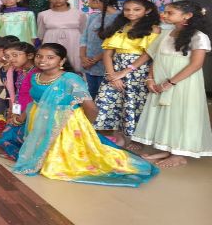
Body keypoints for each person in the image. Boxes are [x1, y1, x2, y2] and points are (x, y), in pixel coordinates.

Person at [12, 43, 157, 187]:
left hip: (65, 123)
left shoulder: (70, 79)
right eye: (39, 56)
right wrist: (22, 117)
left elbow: (91, 108)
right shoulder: (35, 77)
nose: (42, 60)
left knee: (63, 161)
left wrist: (85, 127)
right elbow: (34, 102)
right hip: (39, 119)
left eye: (50, 57)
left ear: (62, 61)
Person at [132, 1, 212, 167]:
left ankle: (179, 154)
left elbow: (196, 64)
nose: (164, 15)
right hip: (161, 81)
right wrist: (150, 78)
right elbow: (156, 58)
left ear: (187, 16)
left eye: (170, 13)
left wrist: (169, 83)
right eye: (165, 12)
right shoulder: (165, 34)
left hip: (183, 83)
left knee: (180, 115)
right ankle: (167, 149)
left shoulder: (198, 36)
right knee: (165, 116)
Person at [94, 0, 161, 146]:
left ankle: (135, 139)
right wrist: (112, 75)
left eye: (137, 9)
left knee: (133, 104)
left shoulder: (154, 29)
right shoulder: (119, 27)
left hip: (137, 72)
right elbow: (107, 54)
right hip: (114, 71)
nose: (131, 12)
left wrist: (125, 71)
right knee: (110, 101)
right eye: (127, 9)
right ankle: (117, 136)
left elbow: (148, 54)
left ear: (147, 11)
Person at [0, 42, 38, 160]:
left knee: (3, 142)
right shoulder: (20, 71)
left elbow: (36, 99)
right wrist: (14, 111)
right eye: (8, 56)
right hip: (20, 111)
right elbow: (17, 95)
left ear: (30, 55)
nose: (11, 59)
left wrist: (21, 116)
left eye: (15, 55)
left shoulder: (37, 74)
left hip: (31, 113)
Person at [80, 0, 120, 99]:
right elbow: (84, 38)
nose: (88, 2)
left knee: (105, 96)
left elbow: (115, 45)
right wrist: (83, 57)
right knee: (91, 93)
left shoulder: (120, 18)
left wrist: (95, 60)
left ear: (97, 1)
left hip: (108, 64)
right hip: (88, 64)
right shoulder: (93, 16)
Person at [36, 0, 87, 72]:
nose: (57, 0)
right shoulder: (43, 14)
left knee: (75, 63)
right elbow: (41, 33)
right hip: (51, 40)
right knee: (52, 61)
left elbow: (84, 31)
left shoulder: (79, 13)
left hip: (74, 42)